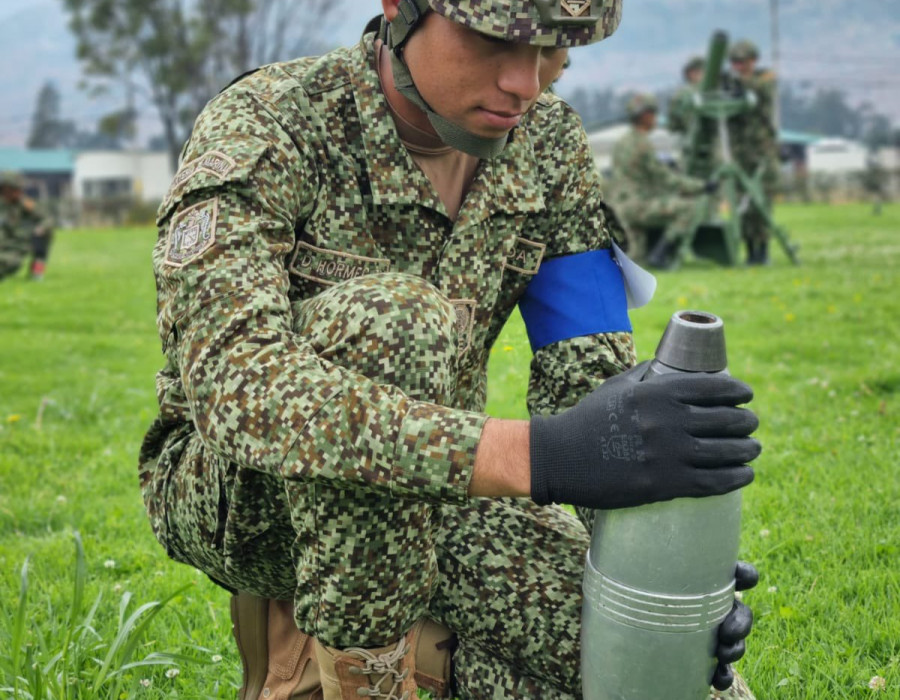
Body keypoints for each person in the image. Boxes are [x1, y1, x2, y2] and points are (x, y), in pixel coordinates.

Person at [138, 3, 762, 699]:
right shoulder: (275, 121)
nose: (526, 83)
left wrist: (658, 566)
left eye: (557, 50)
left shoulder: (549, 143)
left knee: (670, 678)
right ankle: (356, 676)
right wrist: (535, 458)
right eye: (497, 41)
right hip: (247, 499)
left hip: (442, 490)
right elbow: (233, 387)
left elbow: (587, 379)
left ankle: (423, 661)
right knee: (396, 321)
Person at [608, 93, 715, 268]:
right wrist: (701, 186)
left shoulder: (621, 142)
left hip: (619, 208)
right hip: (638, 207)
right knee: (689, 208)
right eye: (654, 114)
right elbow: (666, 179)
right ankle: (661, 253)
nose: (656, 119)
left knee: (635, 263)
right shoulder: (643, 144)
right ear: (646, 116)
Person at [726, 39, 779, 265]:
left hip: (762, 152)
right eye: (734, 62)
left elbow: (759, 91)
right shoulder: (732, 84)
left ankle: (763, 251)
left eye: (742, 62)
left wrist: (738, 83)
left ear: (753, 61)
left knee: (762, 203)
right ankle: (750, 252)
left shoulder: (764, 79)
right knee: (744, 204)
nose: (738, 66)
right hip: (740, 154)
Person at [667, 55, 719, 178]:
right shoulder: (715, 93)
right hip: (714, 148)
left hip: (689, 148)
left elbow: (673, 125)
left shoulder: (680, 95)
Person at [0, 170, 54, 281]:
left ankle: (37, 271)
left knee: (12, 262)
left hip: (19, 242)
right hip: (5, 240)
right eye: (5, 190)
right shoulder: (2, 204)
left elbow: (47, 219)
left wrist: (41, 228)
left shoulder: (26, 204)